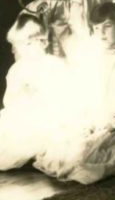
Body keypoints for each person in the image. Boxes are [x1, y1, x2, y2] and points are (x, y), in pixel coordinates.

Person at [34, 2, 115, 184]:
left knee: (85, 158)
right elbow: (87, 96)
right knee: (59, 149)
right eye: (96, 27)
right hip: (93, 122)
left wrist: (108, 123)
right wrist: (86, 121)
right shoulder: (93, 57)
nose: (101, 33)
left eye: (107, 26)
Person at [0, 14, 69, 170]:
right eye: (21, 45)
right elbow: (9, 101)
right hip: (23, 113)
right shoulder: (17, 69)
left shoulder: (53, 64)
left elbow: (64, 96)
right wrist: (22, 97)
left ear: (43, 42)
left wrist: (39, 95)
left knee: (36, 136)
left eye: (30, 43)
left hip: (49, 114)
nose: (24, 49)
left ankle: (33, 153)